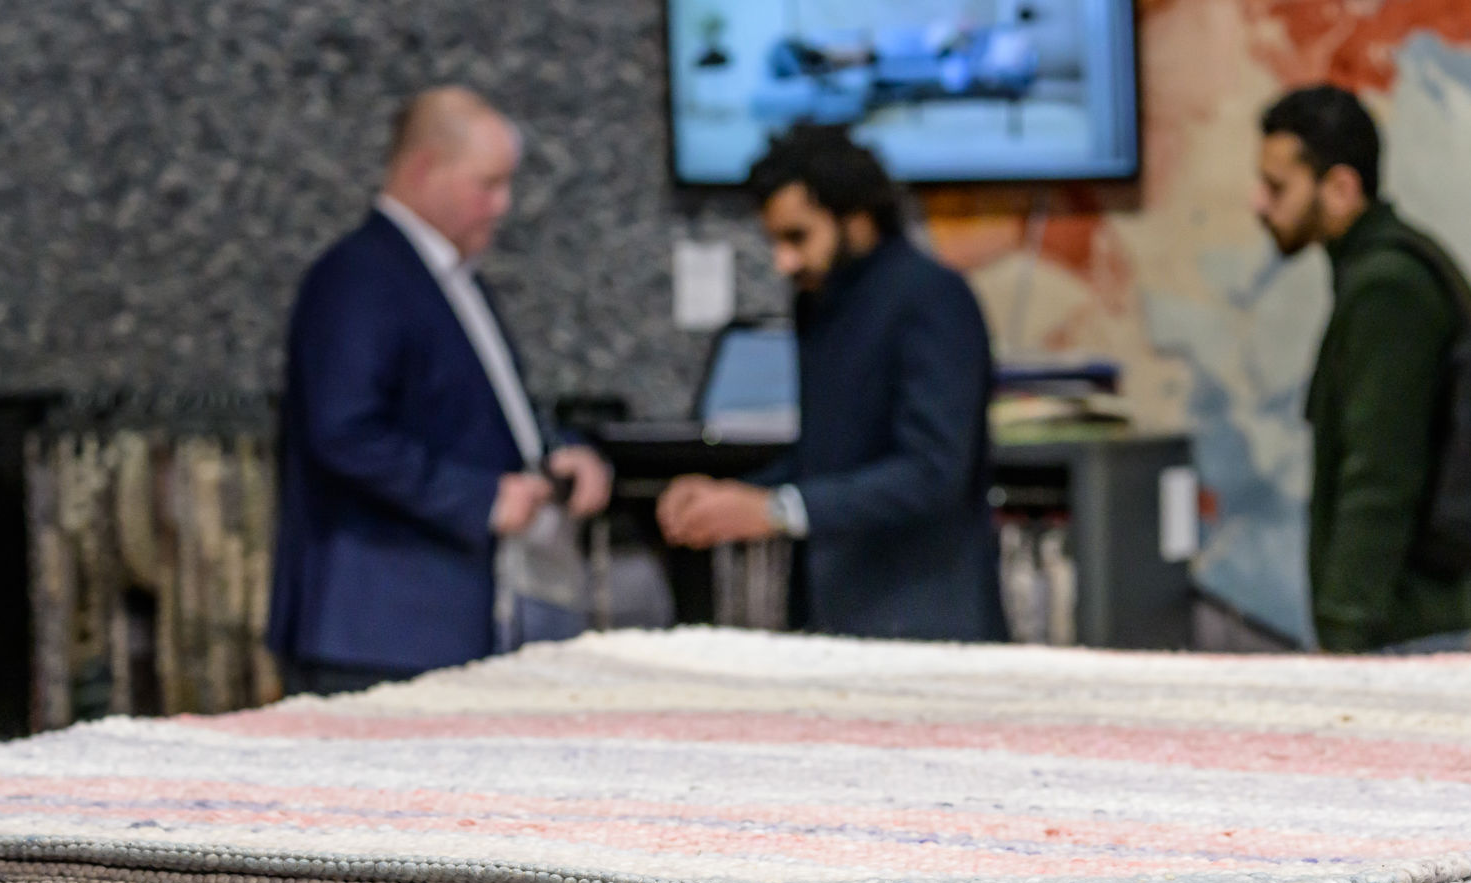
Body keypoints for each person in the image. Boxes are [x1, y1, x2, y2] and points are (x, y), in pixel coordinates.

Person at [268, 87, 612, 695]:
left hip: (442, 620)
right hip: (377, 626)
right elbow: (341, 432)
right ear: (424, 168)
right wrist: (478, 498)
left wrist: (551, 454)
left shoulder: (445, 275)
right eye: (488, 184)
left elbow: (468, 411)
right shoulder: (360, 276)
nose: (502, 205)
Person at [657, 125, 1006, 642]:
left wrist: (774, 510)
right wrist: (734, 498)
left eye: (797, 237)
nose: (784, 260)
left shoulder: (932, 298)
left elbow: (933, 471)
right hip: (834, 615)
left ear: (857, 219)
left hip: (925, 618)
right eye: (775, 240)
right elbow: (830, 457)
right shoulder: (821, 303)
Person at [1254, 84, 1471, 653]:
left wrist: (1343, 630)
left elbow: (1380, 474)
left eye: (1277, 186)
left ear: (1340, 188)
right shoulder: (1384, 270)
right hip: (1412, 624)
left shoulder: (1387, 289)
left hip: (1406, 631)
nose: (1259, 203)